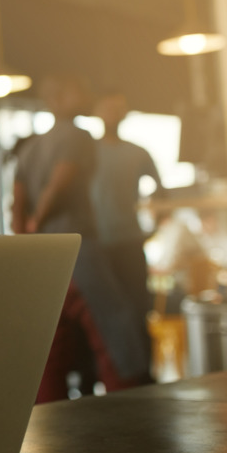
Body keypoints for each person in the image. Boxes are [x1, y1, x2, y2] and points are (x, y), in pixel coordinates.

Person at [12, 75, 152, 402]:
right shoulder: (78, 135)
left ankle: (49, 417)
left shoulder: (29, 146)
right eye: (77, 90)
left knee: (51, 344)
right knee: (116, 331)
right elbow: (60, 181)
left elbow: (16, 198)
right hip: (78, 249)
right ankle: (136, 406)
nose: (86, 94)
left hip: (44, 256)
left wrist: (26, 241)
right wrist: (39, 220)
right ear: (58, 99)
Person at [91, 93, 163, 326]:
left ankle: (142, 363)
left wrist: (153, 229)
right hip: (96, 244)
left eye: (118, 108)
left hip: (130, 241)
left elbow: (161, 192)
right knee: (103, 314)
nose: (113, 113)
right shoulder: (86, 152)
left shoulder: (138, 153)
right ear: (97, 111)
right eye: (108, 107)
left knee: (138, 307)